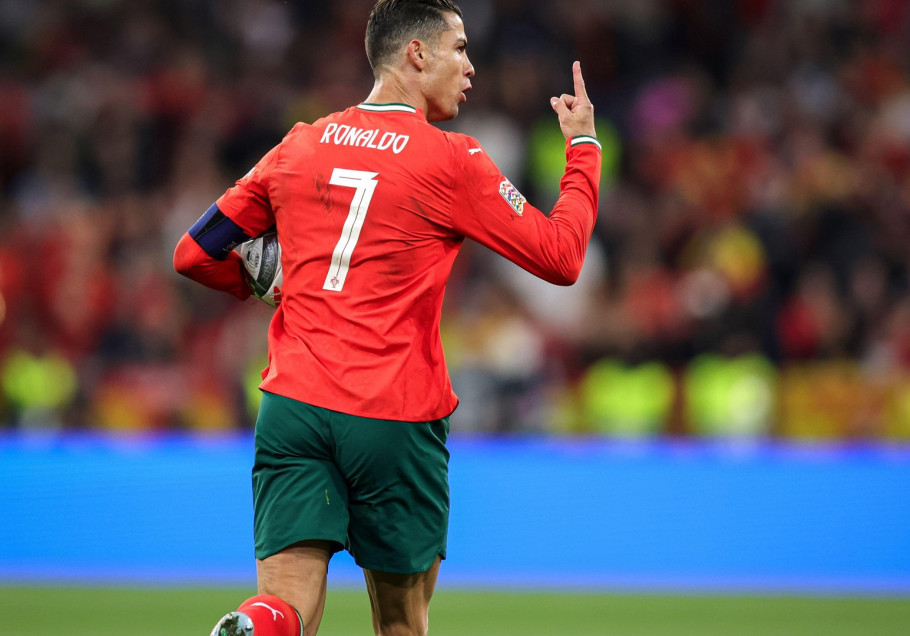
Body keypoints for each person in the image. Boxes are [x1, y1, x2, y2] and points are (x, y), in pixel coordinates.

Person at [173, 0, 600, 634]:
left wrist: (272, 286)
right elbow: (562, 257)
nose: (471, 67)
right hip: (394, 414)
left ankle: (252, 627)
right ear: (416, 54)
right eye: (460, 49)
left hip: (294, 405)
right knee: (402, 621)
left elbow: (193, 253)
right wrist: (584, 147)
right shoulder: (453, 159)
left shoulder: (299, 144)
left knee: (286, 607)